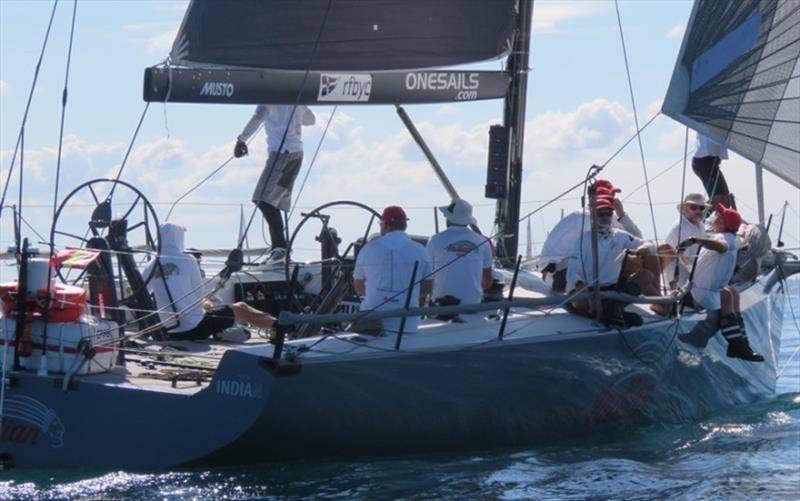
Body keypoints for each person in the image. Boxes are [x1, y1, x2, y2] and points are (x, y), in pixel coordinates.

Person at [144, 223, 275, 341]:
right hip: (194, 328)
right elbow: (199, 294)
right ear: (178, 238)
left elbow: (140, 292)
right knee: (240, 308)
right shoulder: (188, 259)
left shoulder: (152, 264)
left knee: (215, 312)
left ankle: (221, 331)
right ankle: (281, 326)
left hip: (166, 330)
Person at [677, 204, 763, 361]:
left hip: (698, 296)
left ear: (722, 224)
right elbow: (737, 241)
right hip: (707, 294)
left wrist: (695, 240)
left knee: (728, 294)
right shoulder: (734, 239)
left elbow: (721, 247)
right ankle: (740, 344)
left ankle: (738, 345)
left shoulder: (723, 240)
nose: (714, 216)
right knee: (730, 293)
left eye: (718, 216)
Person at [234, 105, 316, 257]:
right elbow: (311, 120)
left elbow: (258, 117)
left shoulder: (269, 98)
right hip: (297, 154)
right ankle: (280, 248)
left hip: (281, 153)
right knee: (274, 202)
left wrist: (241, 140)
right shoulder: (296, 100)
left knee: (262, 199)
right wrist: (295, 117)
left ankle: (280, 247)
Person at [566, 197, 660, 324]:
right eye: (601, 214)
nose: (605, 217)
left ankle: (615, 309)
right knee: (583, 302)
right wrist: (583, 288)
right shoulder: (584, 239)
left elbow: (650, 244)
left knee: (646, 275)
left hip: (611, 290)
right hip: (587, 288)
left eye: (608, 214)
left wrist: (644, 248)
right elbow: (573, 269)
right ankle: (608, 313)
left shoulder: (620, 235)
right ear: (594, 216)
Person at [538, 178, 642, 292]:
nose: (612, 199)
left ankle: (657, 302)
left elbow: (637, 240)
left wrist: (621, 214)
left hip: (570, 271)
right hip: (557, 275)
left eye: (612, 196)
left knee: (638, 259)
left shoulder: (605, 216)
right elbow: (606, 241)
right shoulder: (586, 217)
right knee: (630, 261)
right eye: (609, 195)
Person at [353, 206, 432, 335]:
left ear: (385, 225)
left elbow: (359, 287)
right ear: (405, 225)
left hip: (370, 325)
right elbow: (427, 287)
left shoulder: (368, 249)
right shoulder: (420, 250)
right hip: (407, 326)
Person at [426, 199, 493, 307]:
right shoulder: (483, 242)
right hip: (472, 304)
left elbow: (427, 275)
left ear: (449, 218)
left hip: (440, 305)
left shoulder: (434, 240)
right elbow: (487, 282)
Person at [660, 193, 709, 289]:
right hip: (680, 276)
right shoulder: (680, 228)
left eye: (701, 208)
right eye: (694, 207)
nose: (698, 211)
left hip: (696, 271)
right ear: (685, 208)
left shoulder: (699, 225)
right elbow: (684, 259)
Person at [692, 132, 735, 208]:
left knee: (725, 197)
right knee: (720, 198)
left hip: (709, 161)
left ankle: (710, 215)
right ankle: (705, 215)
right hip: (704, 161)